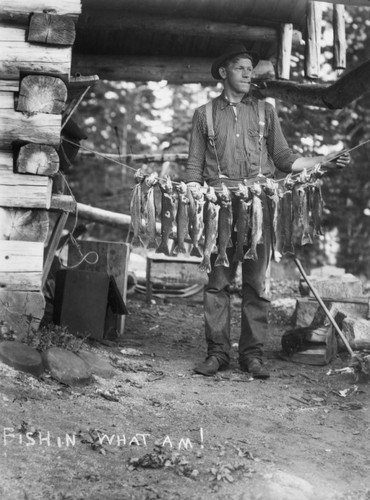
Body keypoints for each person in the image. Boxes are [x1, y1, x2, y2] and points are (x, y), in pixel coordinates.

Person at [185, 42, 350, 379]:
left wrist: (324, 161)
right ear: (223, 73)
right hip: (221, 208)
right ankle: (217, 353)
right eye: (240, 66)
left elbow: (286, 160)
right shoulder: (203, 115)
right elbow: (193, 169)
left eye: (251, 67)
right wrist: (191, 194)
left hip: (261, 205)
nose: (248, 72)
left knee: (257, 285)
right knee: (218, 283)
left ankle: (252, 356)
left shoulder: (265, 112)